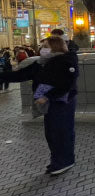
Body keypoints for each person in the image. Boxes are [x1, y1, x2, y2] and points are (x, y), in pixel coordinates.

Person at [0, 36, 79, 175]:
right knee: (51, 132)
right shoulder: (42, 62)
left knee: (62, 131)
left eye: (45, 46)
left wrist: (48, 96)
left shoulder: (67, 61)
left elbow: (67, 84)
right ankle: (57, 160)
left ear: (55, 47)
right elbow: (20, 75)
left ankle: (65, 161)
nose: (42, 49)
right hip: (50, 102)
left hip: (62, 101)